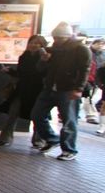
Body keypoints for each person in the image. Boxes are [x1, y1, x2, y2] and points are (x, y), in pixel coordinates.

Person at [31, 22, 92, 160]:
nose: (57, 40)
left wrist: (79, 89)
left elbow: (85, 70)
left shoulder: (81, 49)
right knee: (36, 114)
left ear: (68, 36)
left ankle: (69, 149)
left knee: (69, 120)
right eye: (55, 38)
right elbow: (40, 69)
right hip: (49, 88)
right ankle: (52, 139)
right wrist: (44, 60)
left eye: (60, 38)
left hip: (68, 89)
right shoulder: (53, 50)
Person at [0, 35, 48, 147]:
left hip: (37, 91)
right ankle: (5, 138)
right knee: (13, 112)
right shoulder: (24, 57)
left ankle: (38, 140)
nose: (33, 45)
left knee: (37, 115)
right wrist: (10, 71)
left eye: (36, 43)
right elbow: (20, 73)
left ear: (42, 45)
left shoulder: (44, 58)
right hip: (22, 89)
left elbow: (43, 73)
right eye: (31, 42)